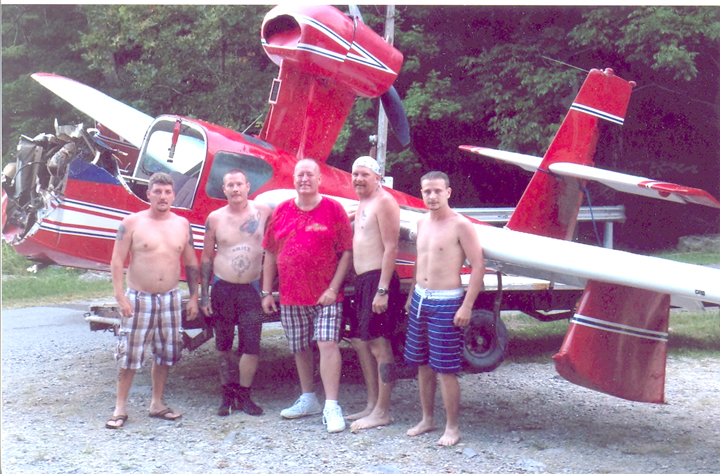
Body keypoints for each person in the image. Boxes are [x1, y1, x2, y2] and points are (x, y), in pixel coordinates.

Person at [261, 158, 353, 433]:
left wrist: (333, 288)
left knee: (326, 343)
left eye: (309, 175)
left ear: (319, 179)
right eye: (299, 174)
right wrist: (267, 291)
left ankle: (332, 405)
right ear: (294, 179)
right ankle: (308, 398)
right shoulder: (282, 210)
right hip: (290, 293)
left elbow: (346, 251)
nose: (304, 179)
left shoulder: (333, 209)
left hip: (326, 295)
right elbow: (270, 252)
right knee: (299, 347)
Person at [106, 172, 199, 429]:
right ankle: (120, 408)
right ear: (148, 194)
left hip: (170, 298)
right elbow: (116, 260)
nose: (163, 196)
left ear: (173, 195)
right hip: (139, 298)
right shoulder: (132, 222)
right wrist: (120, 295)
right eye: (157, 191)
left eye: (168, 192)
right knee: (130, 354)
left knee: (166, 353)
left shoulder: (182, 224)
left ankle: (157, 403)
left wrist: (193, 297)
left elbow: (191, 263)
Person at [404, 171, 485, 446]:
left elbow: (478, 267)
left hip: (447, 302)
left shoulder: (461, 225)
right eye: (427, 191)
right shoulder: (421, 221)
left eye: (438, 191)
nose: (432, 196)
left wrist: (467, 305)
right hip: (420, 299)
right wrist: (411, 293)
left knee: (445, 368)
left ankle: (452, 427)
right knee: (423, 365)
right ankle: (428, 419)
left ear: (448, 192)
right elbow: (420, 259)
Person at [200, 169, 271, 417]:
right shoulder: (215, 218)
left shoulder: (263, 212)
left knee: (251, 345)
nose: (235, 189)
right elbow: (207, 257)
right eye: (230, 185)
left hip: (251, 289)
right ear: (224, 189)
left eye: (239, 184)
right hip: (223, 287)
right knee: (223, 344)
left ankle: (245, 395)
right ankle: (226, 394)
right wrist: (204, 295)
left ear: (248, 186)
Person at [345, 156, 402, 431]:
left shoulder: (385, 201)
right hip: (363, 281)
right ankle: (371, 404)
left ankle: (382, 411)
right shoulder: (363, 202)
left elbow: (391, 247)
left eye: (364, 174)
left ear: (377, 177)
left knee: (380, 346)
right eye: (355, 174)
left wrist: (382, 289)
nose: (358, 179)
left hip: (379, 280)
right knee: (363, 342)